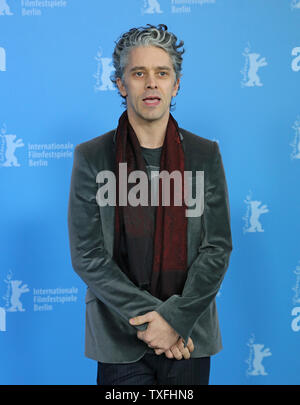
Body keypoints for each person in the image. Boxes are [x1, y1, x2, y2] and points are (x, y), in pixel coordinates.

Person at [67, 24, 233, 385]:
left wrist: (176, 320)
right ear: (121, 84)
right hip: (119, 337)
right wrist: (156, 321)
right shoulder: (92, 157)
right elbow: (88, 255)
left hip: (189, 339)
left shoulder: (205, 154)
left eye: (162, 73)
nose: (151, 83)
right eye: (139, 73)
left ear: (176, 85)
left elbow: (216, 248)